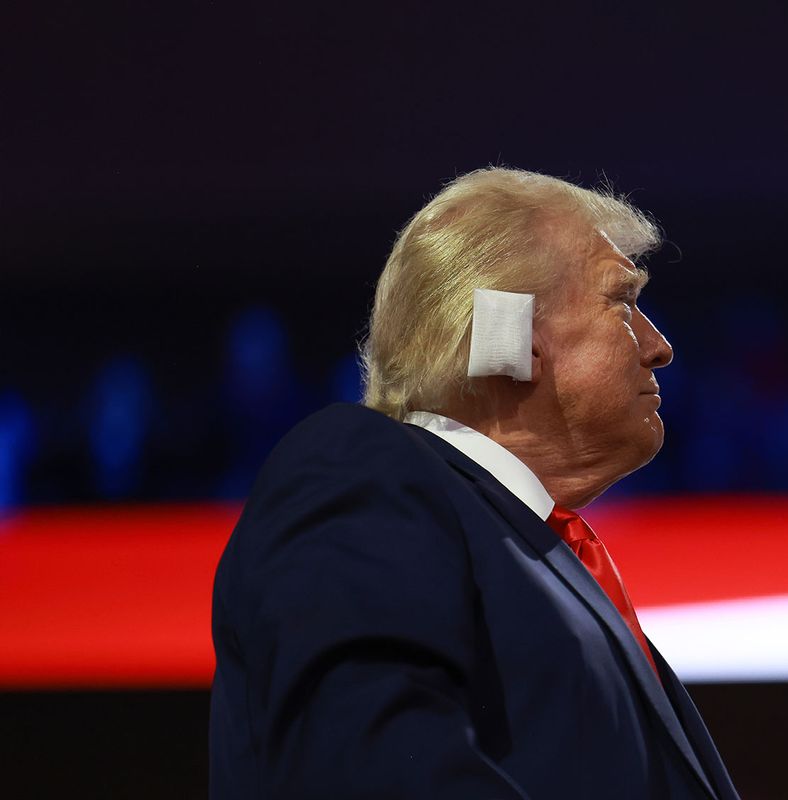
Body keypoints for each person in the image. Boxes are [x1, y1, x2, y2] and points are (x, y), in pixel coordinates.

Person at [209, 167, 740, 799]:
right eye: (621, 300)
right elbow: (371, 772)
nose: (660, 346)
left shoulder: (544, 553)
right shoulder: (362, 468)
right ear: (510, 336)